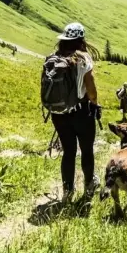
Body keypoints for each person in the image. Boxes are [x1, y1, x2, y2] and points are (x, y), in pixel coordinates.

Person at [48, 23, 101, 202]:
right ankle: (88, 187)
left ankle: (68, 192)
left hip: (59, 114)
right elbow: (91, 89)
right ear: (81, 39)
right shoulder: (83, 58)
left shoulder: (54, 58)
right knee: (86, 150)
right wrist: (95, 103)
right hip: (81, 112)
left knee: (68, 152)